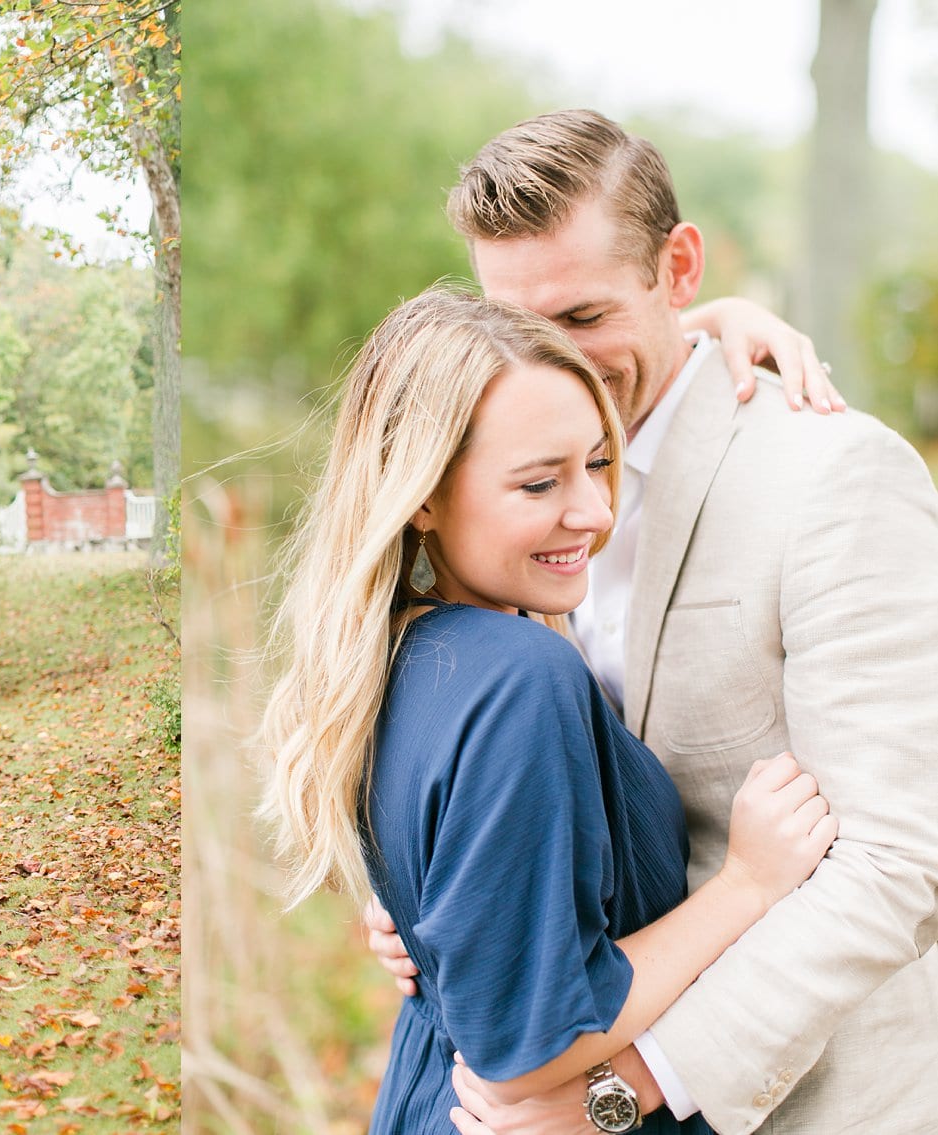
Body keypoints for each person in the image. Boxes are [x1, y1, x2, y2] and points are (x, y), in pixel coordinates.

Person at [366, 109, 938, 1135]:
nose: (552, 356)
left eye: (584, 316)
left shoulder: (835, 478)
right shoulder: (493, 489)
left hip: (800, 1102)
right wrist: (453, 903)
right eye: (519, 319)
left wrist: (619, 1088)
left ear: (678, 268)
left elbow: (899, 865)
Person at [258, 286, 836, 1134]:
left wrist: (714, 322)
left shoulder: (393, 652)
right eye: (538, 483)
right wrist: (747, 883)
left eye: (600, 462)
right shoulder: (520, 676)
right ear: (419, 491)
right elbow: (532, 1048)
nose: (593, 512)